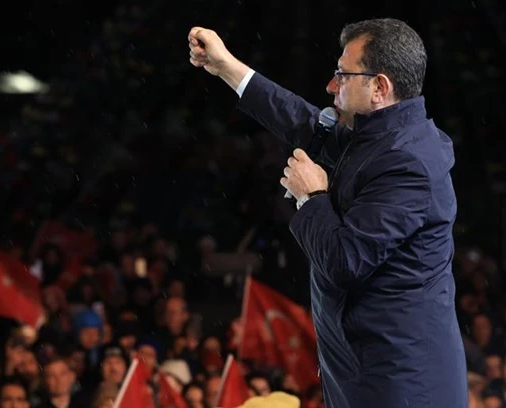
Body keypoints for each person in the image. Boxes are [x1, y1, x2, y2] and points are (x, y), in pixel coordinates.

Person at [188, 18, 468, 407]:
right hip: (368, 374)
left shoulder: (408, 163)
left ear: (379, 87)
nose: (331, 86)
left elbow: (345, 259)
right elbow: (301, 121)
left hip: (400, 386)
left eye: (343, 75)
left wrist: (312, 196)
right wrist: (226, 67)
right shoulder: (379, 139)